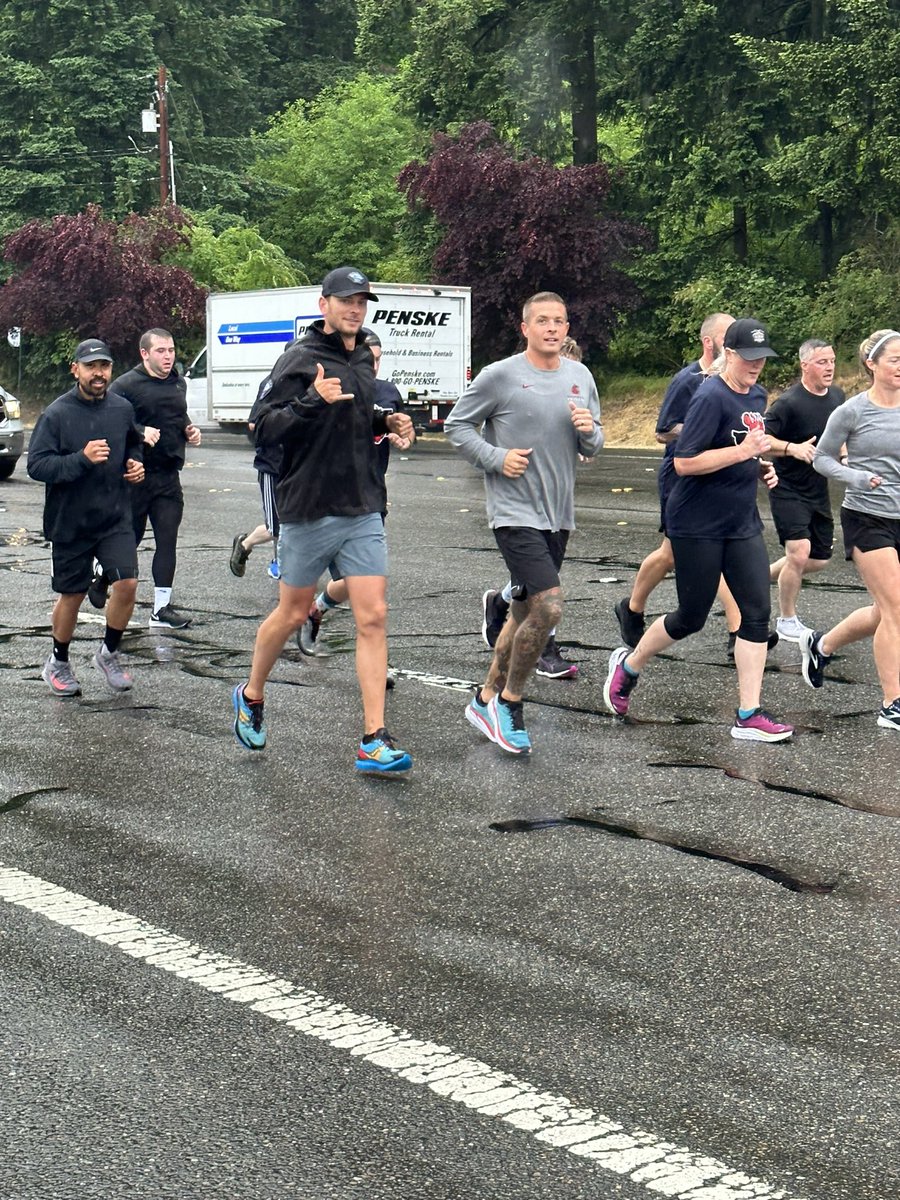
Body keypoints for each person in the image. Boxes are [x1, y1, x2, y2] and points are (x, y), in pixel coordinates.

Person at [230, 266, 415, 772]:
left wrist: (386, 421)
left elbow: (354, 420)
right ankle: (251, 694)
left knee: (373, 615)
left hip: (361, 506)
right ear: (324, 305)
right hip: (309, 507)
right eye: (345, 300)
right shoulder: (299, 359)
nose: (355, 308)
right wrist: (312, 400)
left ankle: (373, 739)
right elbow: (260, 428)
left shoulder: (362, 359)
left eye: (362, 301)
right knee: (291, 614)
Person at [604, 318, 793, 742]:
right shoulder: (710, 395)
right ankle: (630, 666)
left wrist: (760, 465)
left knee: (757, 615)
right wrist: (742, 451)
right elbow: (686, 461)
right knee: (691, 617)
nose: (756, 365)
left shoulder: (757, 395)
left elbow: (742, 447)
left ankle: (749, 714)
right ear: (728, 352)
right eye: (749, 357)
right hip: (696, 522)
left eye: (763, 358)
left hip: (741, 520)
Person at [445, 292, 603, 754]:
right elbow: (457, 425)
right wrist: (496, 458)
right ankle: (510, 704)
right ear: (526, 328)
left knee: (523, 612)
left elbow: (594, 446)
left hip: (558, 513)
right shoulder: (501, 376)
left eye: (560, 320)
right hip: (514, 513)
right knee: (549, 608)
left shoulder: (580, 377)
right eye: (543, 321)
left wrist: (589, 431)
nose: (553, 328)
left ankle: (485, 696)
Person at [613, 313, 746, 656]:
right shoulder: (688, 380)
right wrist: (703, 429)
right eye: (726, 337)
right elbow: (662, 430)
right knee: (690, 552)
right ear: (709, 342)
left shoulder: (734, 382)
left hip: (718, 478)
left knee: (674, 553)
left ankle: (631, 608)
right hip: (682, 478)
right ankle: (738, 627)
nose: (734, 343)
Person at [27, 340, 145, 696]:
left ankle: (109, 652)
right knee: (73, 595)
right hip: (71, 521)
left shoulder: (122, 408)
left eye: (104, 366)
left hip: (114, 516)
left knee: (127, 583)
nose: (99, 374)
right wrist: (81, 457)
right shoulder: (56, 414)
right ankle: (58, 661)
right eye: (91, 367)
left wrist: (135, 464)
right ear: (75, 370)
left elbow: (133, 442)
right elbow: (37, 465)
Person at [800, 328, 900, 731]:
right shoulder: (852, 411)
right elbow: (822, 459)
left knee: (884, 610)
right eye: (894, 360)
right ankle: (892, 704)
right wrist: (855, 477)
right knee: (896, 609)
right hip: (867, 517)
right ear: (871, 364)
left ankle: (821, 646)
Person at [296, 328, 413, 663]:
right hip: (330, 499)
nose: (372, 366)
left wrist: (402, 435)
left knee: (364, 585)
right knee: (361, 587)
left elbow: (398, 429)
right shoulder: (336, 388)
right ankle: (376, 661)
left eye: (377, 360)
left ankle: (317, 608)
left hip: (372, 497)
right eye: (367, 359)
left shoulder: (388, 392)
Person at [479, 334, 586, 679]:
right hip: (516, 505)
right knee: (547, 595)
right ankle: (541, 655)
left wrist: (583, 438)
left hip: (554, 507)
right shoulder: (509, 384)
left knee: (528, 595)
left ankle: (489, 694)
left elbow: (590, 435)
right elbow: (475, 431)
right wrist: (498, 458)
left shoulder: (577, 385)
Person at [92, 328, 201, 628]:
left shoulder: (178, 382)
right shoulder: (126, 384)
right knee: (131, 540)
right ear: (144, 353)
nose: (168, 357)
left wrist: (189, 429)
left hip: (168, 476)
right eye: (161, 351)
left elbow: (178, 414)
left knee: (167, 540)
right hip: (135, 476)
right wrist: (140, 431)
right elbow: (108, 421)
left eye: (171, 350)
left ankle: (161, 609)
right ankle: (101, 575)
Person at [764, 340, 845, 641]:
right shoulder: (788, 403)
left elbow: (841, 431)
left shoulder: (837, 396)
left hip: (817, 488)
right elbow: (761, 438)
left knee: (820, 558)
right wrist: (791, 448)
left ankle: (755, 579)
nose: (830, 367)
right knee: (798, 552)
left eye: (832, 361)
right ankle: (787, 620)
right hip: (787, 488)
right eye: (822, 362)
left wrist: (846, 457)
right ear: (805, 366)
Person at [229, 344, 295, 582]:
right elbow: (253, 424)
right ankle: (247, 545)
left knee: (294, 519)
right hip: (271, 465)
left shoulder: (310, 385)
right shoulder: (271, 384)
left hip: (297, 465)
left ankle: (284, 562)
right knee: (276, 525)